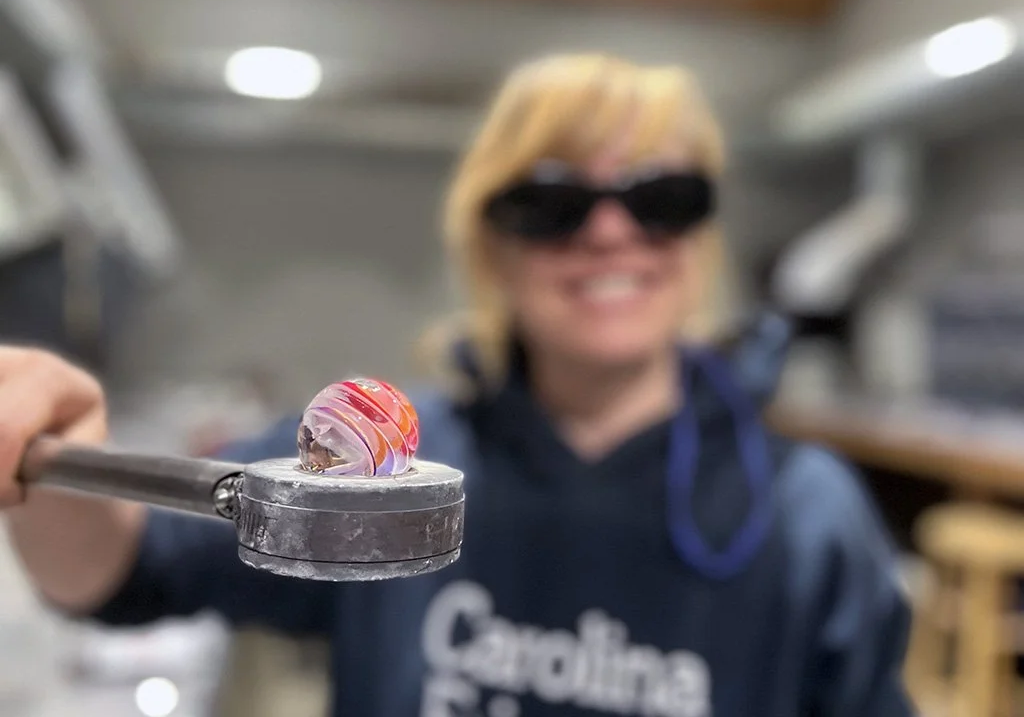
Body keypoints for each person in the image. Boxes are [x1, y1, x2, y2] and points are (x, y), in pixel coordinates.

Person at [0, 53, 914, 717]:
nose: (609, 235)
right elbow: (123, 566)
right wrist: (52, 444)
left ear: (699, 240)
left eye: (661, 199)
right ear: (492, 248)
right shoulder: (388, 480)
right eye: (552, 204)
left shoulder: (808, 515)